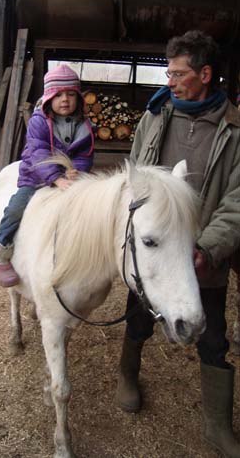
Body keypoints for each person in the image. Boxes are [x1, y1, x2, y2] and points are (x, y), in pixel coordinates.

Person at [115, 30, 240, 457]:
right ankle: (128, 375)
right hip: (158, 253)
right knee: (138, 318)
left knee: (213, 337)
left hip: (206, 255)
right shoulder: (155, 116)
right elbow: (136, 181)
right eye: (168, 72)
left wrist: (207, 249)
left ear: (205, 74)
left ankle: (217, 427)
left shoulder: (234, 129)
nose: (169, 80)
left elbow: (238, 199)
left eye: (178, 73)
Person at [0, 64, 94, 287]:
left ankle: (77, 254)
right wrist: (55, 178)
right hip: (37, 176)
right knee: (17, 206)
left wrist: (78, 171)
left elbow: (85, 153)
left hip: (68, 178)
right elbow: (38, 153)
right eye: (58, 95)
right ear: (48, 97)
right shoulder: (39, 121)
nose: (64, 100)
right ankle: (2, 249)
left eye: (70, 94)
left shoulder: (84, 125)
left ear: (78, 97)